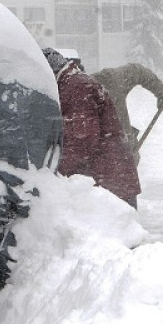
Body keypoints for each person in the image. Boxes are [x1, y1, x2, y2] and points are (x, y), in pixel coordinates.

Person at [42, 48, 141, 208]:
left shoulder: (76, 88)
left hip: (108, 184)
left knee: (111, 231)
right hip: (112, 178)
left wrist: (55, 172)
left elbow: (82, 140)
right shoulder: (72, 82)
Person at [92, 63, 163, 158]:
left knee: (124, 150)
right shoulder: (112, 79)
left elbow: (138, 72)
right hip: (110, 150)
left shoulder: (111, 80)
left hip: (118, 147)